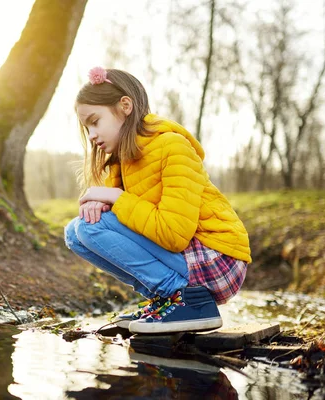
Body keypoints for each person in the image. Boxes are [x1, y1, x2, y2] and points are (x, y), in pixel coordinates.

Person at [64, 67, 251, 334]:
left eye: (95, 122)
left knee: (89, 228)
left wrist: (115, 197)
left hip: (218, 259)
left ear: (125, 106)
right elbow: (124, 217)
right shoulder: (124, 159)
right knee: (75, 232)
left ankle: (186, 300)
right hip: (189, 258)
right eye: (87, 127)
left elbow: (174, 234)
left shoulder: (173, 147)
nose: (92, 135)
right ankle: (165, 301)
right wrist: (101, 203)